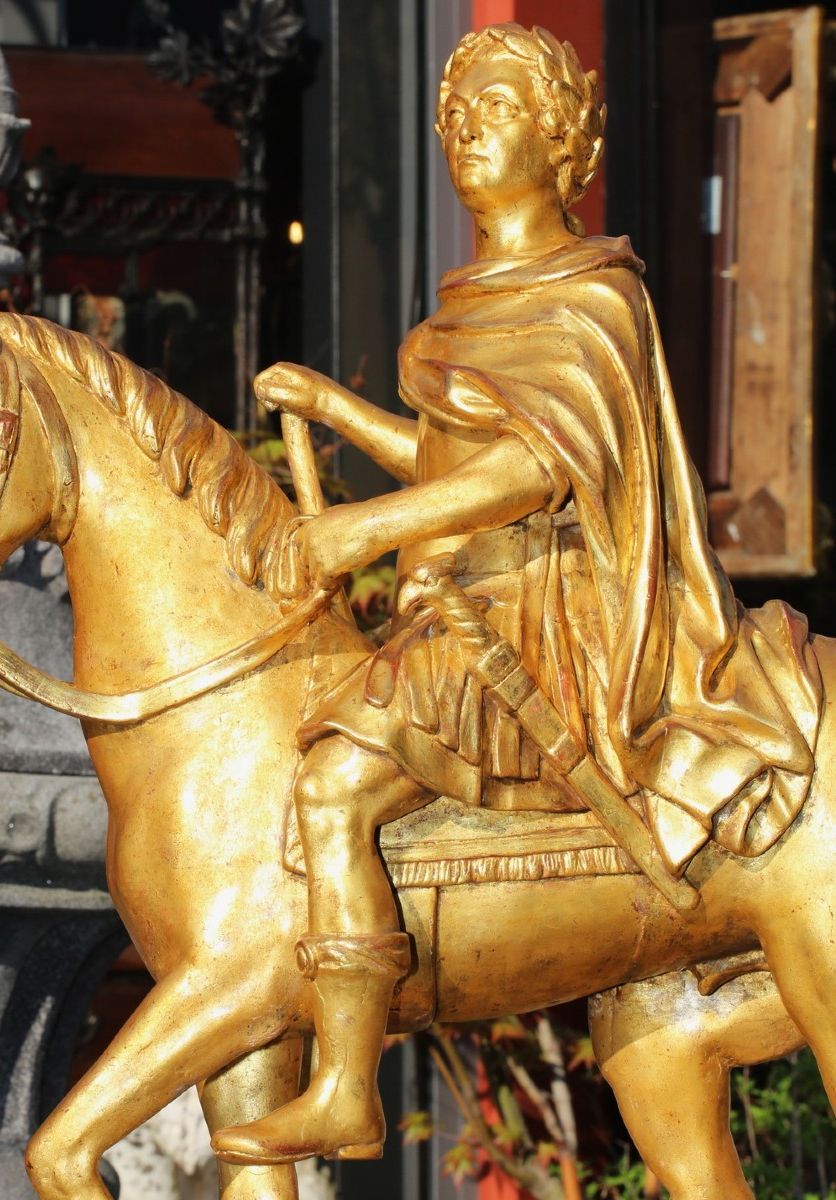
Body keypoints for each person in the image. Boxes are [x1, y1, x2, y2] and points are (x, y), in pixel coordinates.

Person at [212, 22, 821, 1165]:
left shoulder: (594, 298)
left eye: (494, 108)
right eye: (457, 115)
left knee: (337, 786)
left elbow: (540, 469)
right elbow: (459, 466)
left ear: (564, 141)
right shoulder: (462, 305)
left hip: (555, 618)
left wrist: (364, 527)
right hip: (467, 602)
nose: (465, 131)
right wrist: (344, 419)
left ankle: (346, 1084)